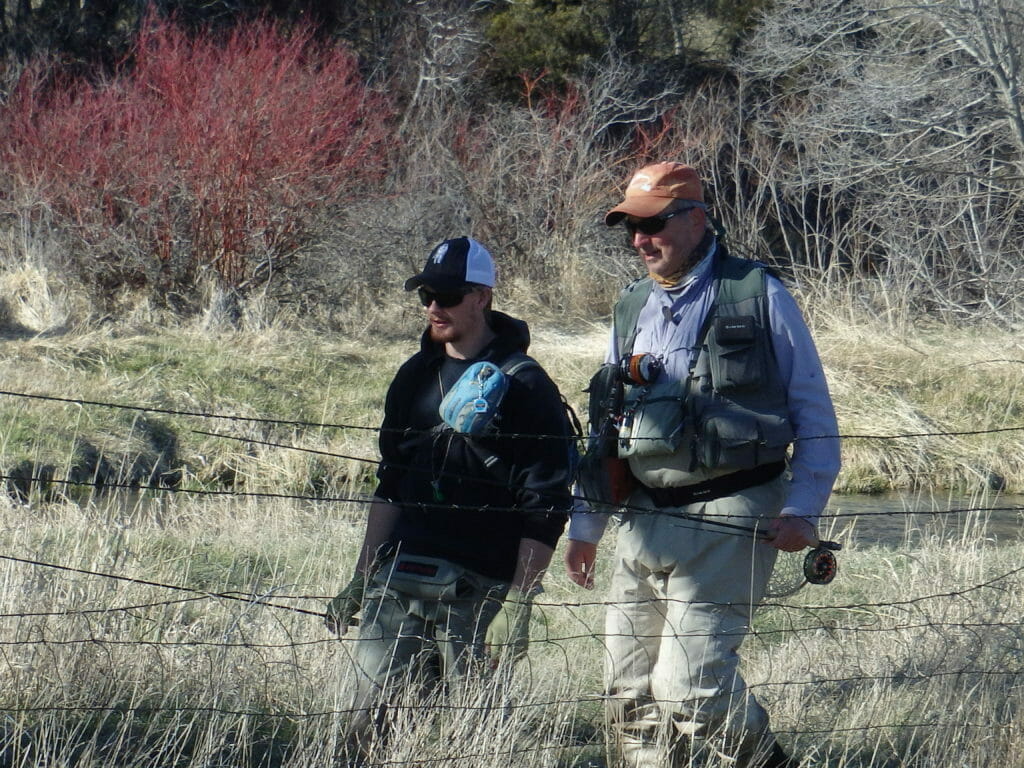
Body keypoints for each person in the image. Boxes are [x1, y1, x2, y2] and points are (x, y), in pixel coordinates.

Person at [565, 162, 841, 768]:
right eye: (630, 229)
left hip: (734, 512)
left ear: (696, 218)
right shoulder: (630, 306)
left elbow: (814, 412)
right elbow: (606, 429)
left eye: (652, 224)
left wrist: (802, 509)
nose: (639, 240)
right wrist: (585, 528)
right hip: (643, 518)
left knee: (693, 692)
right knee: (628, 694)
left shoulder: (758, 291)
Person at [325, 236, 574, 755]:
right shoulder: (413, 377)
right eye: (426, 295)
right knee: (361, 726)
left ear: (482, 297)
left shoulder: (528, 387)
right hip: (400, 575)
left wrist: (519, 603)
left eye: (448, 295)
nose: (434, 306)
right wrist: (361, 575)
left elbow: (545, 506)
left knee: (474, 739)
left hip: (480, 585)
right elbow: (389, 483)